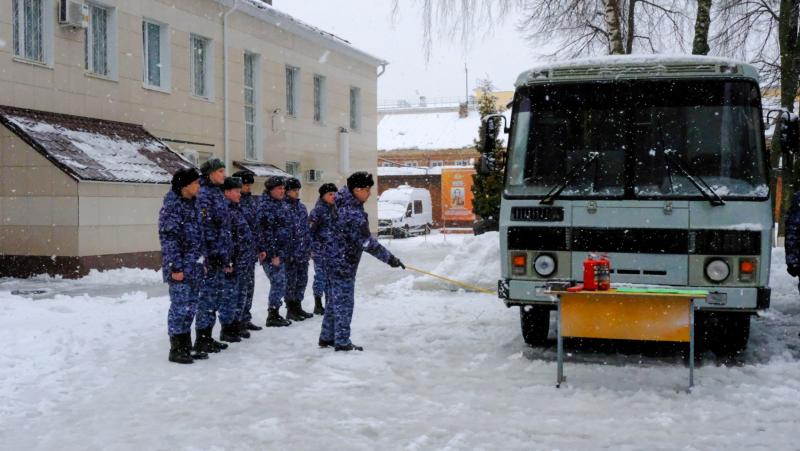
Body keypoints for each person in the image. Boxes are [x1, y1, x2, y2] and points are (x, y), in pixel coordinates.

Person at [320, 172, 405, 352]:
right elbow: (367, 242)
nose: (369, 194)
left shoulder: (341, 203)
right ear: (357, 190)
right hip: (343, 263)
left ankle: (327, 336)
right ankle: (342, 342)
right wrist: (390, 259)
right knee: (344, 302)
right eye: (367, 190)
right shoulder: (353, 213)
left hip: (333, 259)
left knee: (334, 300)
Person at [159, 168, 208, 364]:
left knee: (191, 308)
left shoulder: (194, 205)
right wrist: (175, 268)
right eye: (196, 183)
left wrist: (201, 261)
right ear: (184, 186)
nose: (199, 187)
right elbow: (169, 241)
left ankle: (186, 346)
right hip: (179, 268)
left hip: (194, 266)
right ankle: (176, 349)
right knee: (180, 308)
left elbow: (199, 237)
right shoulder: (172, 208)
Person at [195, 158, 234, 353]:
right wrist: (209, 254)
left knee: (216, 296)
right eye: (220, 172)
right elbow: (203, 228)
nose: (223, 175)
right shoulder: (203, 195)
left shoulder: (216, 193)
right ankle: (202, 338)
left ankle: (208, 336)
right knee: (207, 298)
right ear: (210, 174)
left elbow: (222, 227)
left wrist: (224, 254)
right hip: (210, 256)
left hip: (219, 254)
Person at [218, 176, 252, 343]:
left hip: (243, 261)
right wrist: (228, 261)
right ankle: (227, 328)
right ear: (226, 192)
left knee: (240, 295)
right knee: (229, 296)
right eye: (236, 191)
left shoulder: (237, 209)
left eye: (240, 191)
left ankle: (236, 324)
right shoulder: (224, 211)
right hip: (232, 262)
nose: (240, 194)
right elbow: (224, 239)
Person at [257, 176, 292, 327]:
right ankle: (273, 314)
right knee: (278, 282)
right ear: (271, 190)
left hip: (281, 251)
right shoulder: (265, 206)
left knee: (281, 282)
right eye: (279, 188)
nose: (282, 191)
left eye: (283, 188)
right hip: (272, 254)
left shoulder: (280, 204)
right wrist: (272, 255)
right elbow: (264, 233)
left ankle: (275, 313)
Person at [232, 170, 261, 332]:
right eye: (245, 185)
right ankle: (236, 321)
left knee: (249, 287)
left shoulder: (251, 201)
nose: (247, 188)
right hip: (239, 253)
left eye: (249, 185)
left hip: (250, 252)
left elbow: (255, 227)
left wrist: (259, 247)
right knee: (239, 289)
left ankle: (245, 317)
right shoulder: (234, 202)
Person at [284, 177, 314, 321]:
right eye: (294, 190)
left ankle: (298, 306)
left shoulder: (301, 208)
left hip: (302, 251)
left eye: (297, 190)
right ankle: (290, 309)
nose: (296, 193)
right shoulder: (283, 207)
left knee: (302, 280)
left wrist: (308, 247)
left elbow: (306, 230)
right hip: (290, 252)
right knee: (290, 281)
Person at [309, 183, 338, 315]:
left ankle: (329, 302)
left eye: (334, 194)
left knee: (331, 277)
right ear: (323, 196)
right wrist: (312, 248)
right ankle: (318, 303)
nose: (333, 196)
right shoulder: (317, 211)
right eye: (330, 194)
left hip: (333, 250)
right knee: (321, 276)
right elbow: (309, 231)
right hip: (320, 250)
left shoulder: (335, 209)